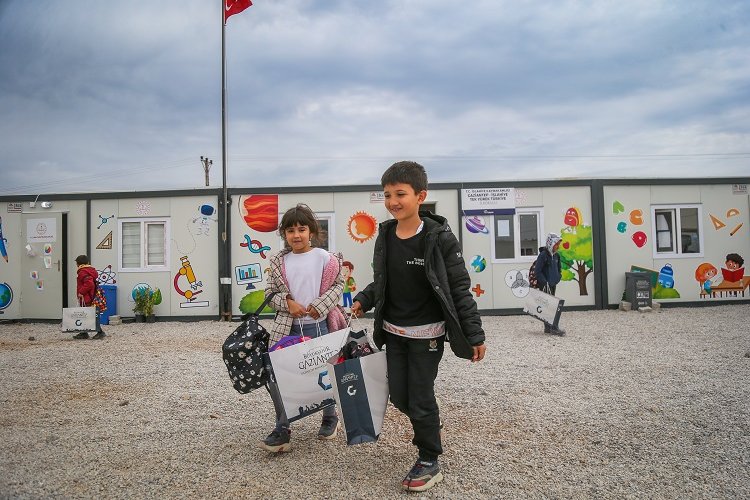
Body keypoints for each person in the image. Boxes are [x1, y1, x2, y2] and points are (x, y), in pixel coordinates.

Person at [351, 161, 486, 493]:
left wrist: (474, 333)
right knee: (399, 396)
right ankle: (430, 425)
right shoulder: (385, 234)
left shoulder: (438, 238)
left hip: (427, 336)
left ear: (420, 196)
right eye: (387, 195)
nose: (393, 201)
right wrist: (363, 299)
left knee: (421, 398)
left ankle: (429, 458)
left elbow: (458, 288)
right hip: (394, 333)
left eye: (401, 194)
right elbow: (384, 279)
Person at [260, 204, 347, 453]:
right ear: (284, 234)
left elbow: (338, 286)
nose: (296, 235)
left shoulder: (325, 258)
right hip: (287, 329)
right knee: (280, 377)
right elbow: (270, 293)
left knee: (324, 373)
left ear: (312, 231)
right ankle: (283, 427)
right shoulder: (279, 261)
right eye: (290, 230)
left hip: (319, 325)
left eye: (301, 229)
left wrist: (320, 305)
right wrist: (287, 303)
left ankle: (330, 416)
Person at [534, 233, 565, 336]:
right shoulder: (543, 255)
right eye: (556, 244)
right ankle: (553, 328)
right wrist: (544, 282)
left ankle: (549, 327)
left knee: (551, 305)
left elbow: (559, 269)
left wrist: (558, 277)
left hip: (552, 284)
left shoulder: (557, 256)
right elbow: (537, 271)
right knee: (549, 306)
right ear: (551, 243)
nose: (558, 246)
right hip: (545, 284)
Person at [74, 255, 105, 340]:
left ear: (78, 263)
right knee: (86, 314)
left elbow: (89, 284)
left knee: (90, 315)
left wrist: (81, 292)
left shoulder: (82, 272)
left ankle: (100, 332)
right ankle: (84, 333)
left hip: (87, 297)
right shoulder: (89, 270)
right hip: (91, 296)